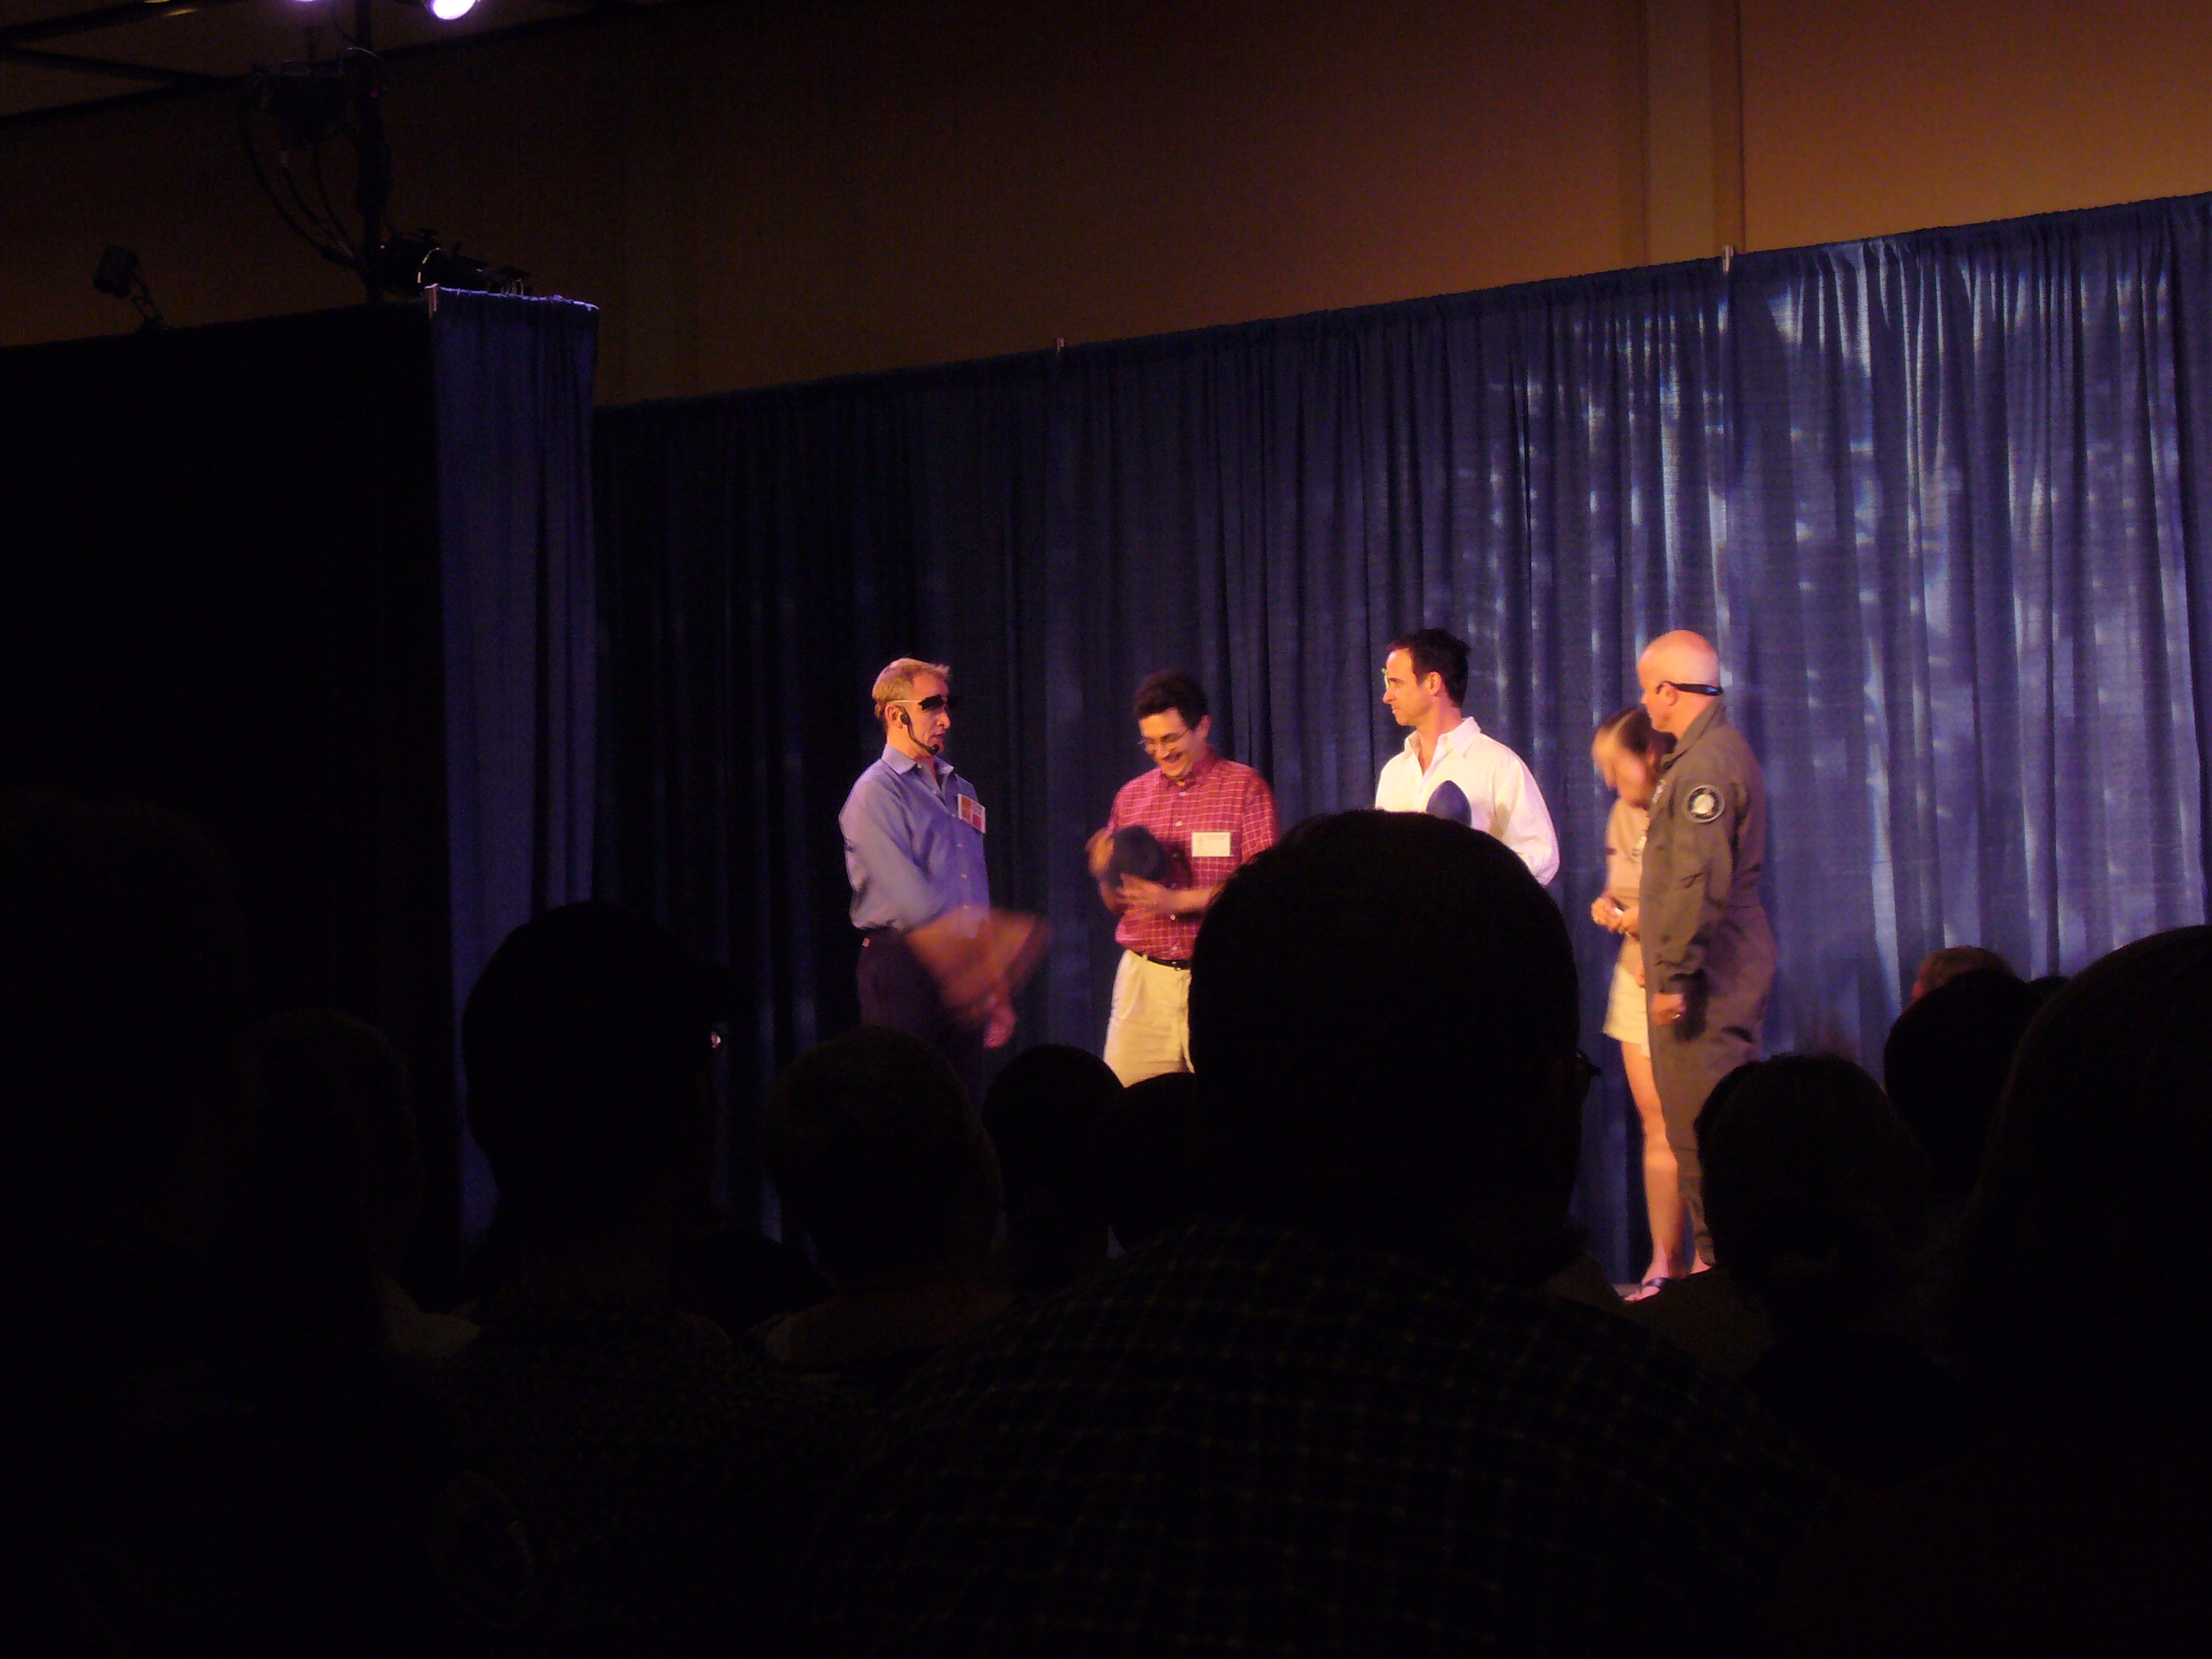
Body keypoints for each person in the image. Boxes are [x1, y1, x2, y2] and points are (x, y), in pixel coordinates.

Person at [800, 813, 1838, 1655]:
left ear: (1211, 1089)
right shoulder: (1660, 1467)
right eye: (1572, 1081)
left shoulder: (955, 1439)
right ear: (1538, 1110)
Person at [840, 657, 1038, 1101]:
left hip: (960, 960)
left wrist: (993, 983)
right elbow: (910, 899)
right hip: (905, 967)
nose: (946, 720)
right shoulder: (875, 793)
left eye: (948, 705)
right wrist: (994, 950)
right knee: (907, 1104)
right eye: (932, 706)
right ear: (896, 715)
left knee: (961, 1101)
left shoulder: (961, 790)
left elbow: (974, 888)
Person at [1635, 629, 1773, 1261]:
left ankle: (1726, 1278)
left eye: (1648, 691)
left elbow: (1697, 881)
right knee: (1706, 1132)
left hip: (1708, 983)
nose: (1644, 704)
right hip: (1708, 971)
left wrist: (1674, 973)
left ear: (1669, 691)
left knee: (1704, 1135)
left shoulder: (1705, 768)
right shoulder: (1701, 757)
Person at [1085, 670, 1277, 1083]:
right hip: (1144, 981)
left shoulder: (1244, 788)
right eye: (1150, 742)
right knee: (1128, 1103)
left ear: (1202, 726)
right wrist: (1104, 872)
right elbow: (1117, 905)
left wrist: (1179, 902)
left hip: (1219, 976)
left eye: (1170, 739)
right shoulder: (1131, 796)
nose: (1161, 753)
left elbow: (1264, 888)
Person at [1588, 704, 1689, 1291]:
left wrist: (1644, 921)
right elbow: (1622, 890)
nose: (1609, 781)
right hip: (1635, 976)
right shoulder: (1622, 814)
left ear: (1649, 755)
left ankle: (1711, 1260)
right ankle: (1663, 1261)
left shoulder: (1688, 806)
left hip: (1685, 981)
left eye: (1615, 766)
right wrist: (1610, 909)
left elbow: (1699, 899)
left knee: (1694, 1125)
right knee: (1657, 1125)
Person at [1375, 627, 1558, 884]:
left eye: (1396, 683)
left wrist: (1476, 879)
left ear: (1432, 682)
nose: (1387, 697)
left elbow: (1541, 854)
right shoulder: (1395, 771)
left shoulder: (1497, 764)